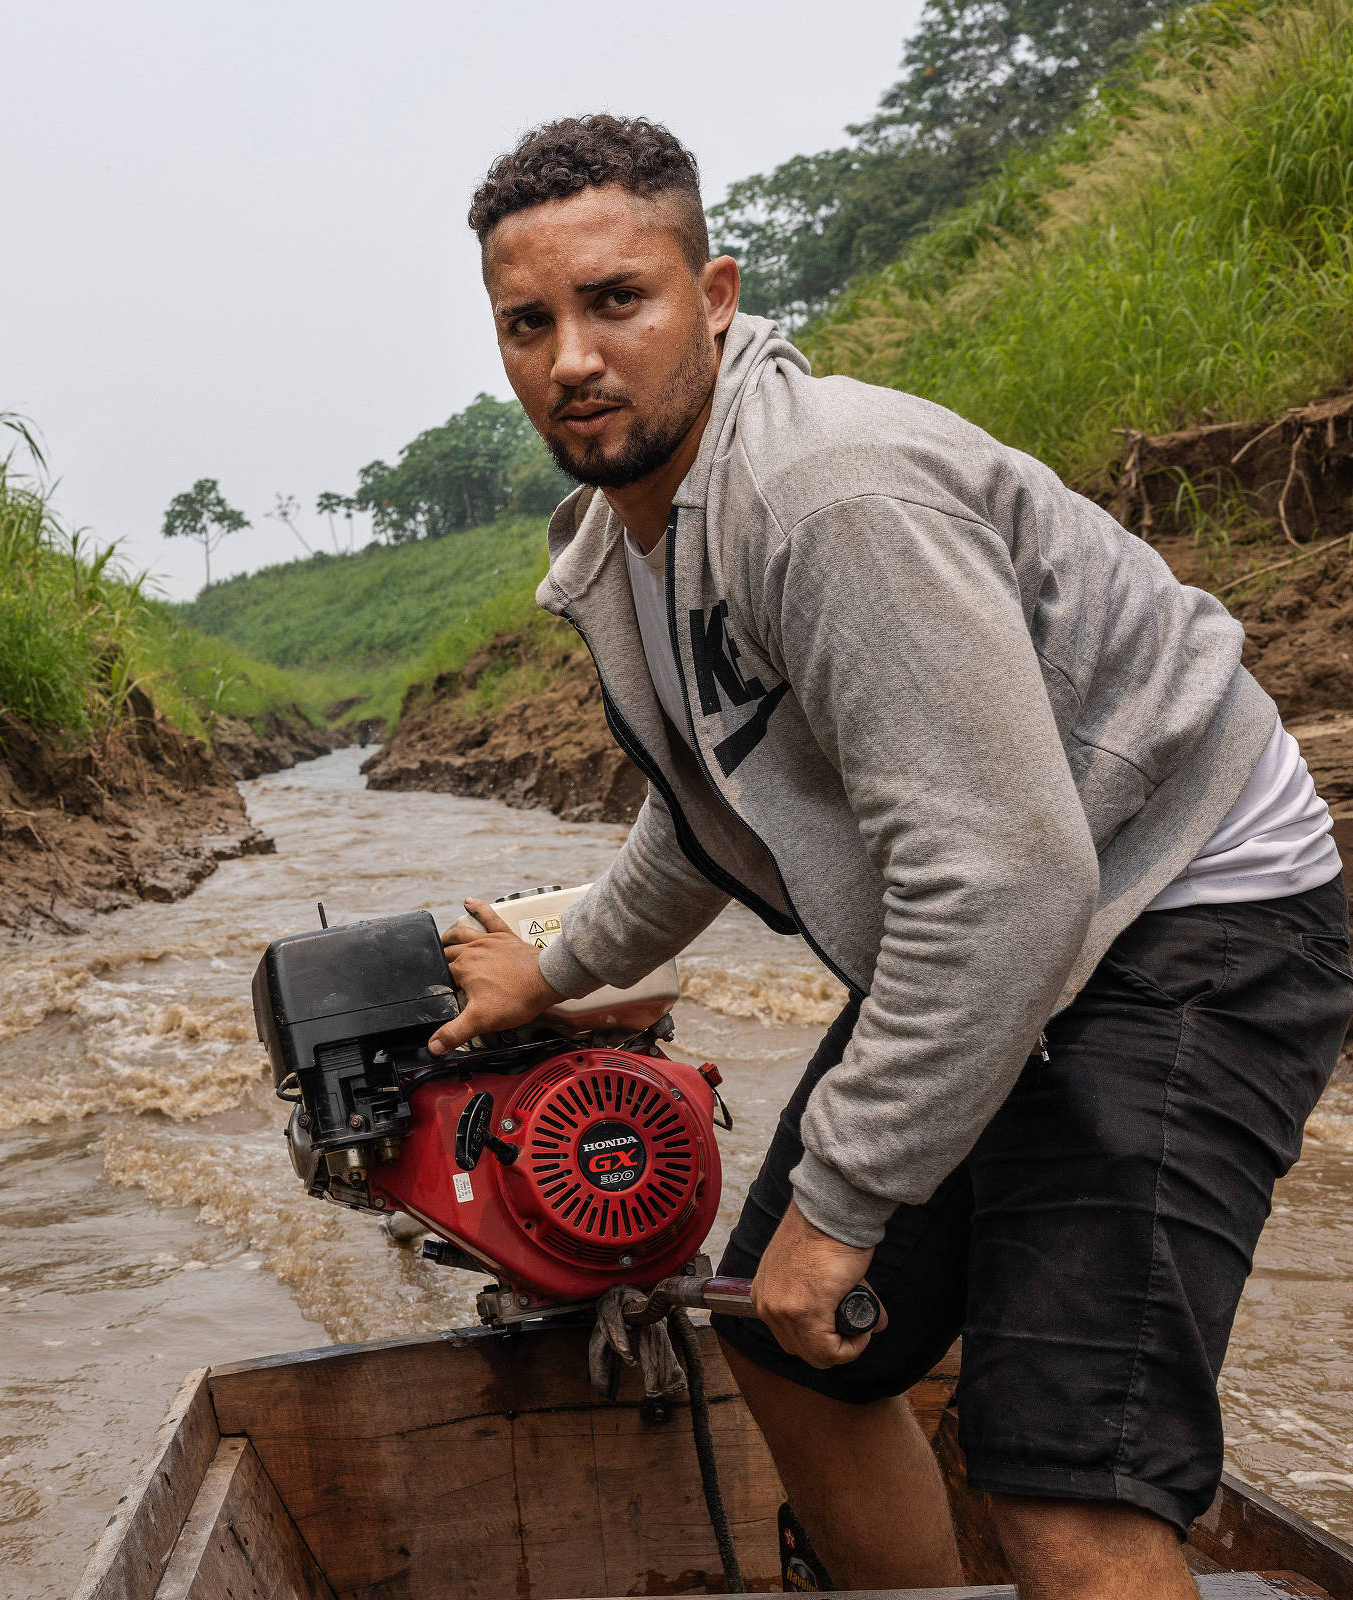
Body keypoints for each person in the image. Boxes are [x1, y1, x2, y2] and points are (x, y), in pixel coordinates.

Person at [421, 115, 1352, 1600]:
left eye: (619, 301)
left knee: (1063, 1474)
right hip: (1024, 913)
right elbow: (722, 806)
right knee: (783, 1345)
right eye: (528, 323)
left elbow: (1004, 891)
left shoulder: (826, 500)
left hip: (1186, 904)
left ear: (715, 297)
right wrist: (559, 967)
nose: (574, 360)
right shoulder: (634, 542)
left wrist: (843, 1211)